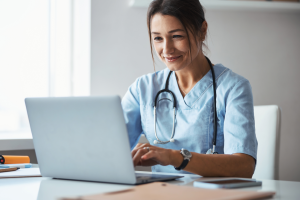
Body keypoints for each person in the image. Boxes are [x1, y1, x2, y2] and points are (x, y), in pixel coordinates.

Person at [121, 0, 257, 178]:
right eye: (158, 38)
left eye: (177, 36)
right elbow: (110, 148)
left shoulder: (234, 88)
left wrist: (174, 157)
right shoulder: (143, 88)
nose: (166, 49)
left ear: (202, 31)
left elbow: (244, 167)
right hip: (159, 193)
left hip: (210, 194)